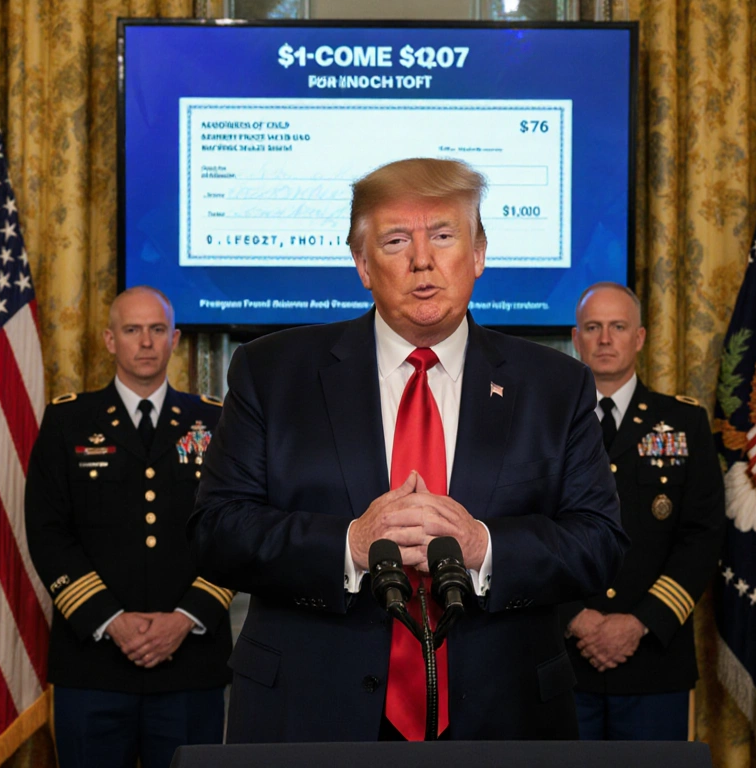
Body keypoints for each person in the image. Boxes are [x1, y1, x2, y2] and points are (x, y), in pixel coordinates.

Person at [188, 157, 627, 743]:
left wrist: (484, 546)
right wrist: (349, 545)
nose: (423, 260)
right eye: (397, 240)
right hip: (309, 716)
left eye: (443, 236)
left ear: (478, 254)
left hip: (504, 716)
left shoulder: (553, 385)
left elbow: (599, 542)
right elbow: (216, 531)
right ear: (363, 265)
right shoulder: (272, 372)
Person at [24, 286, 234, 768]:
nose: (145, 342)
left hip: (191, 664)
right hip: (93, 663)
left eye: (157, 330)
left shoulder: (215, 421)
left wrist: (186, 618)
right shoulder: (68, 421)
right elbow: (48, 532)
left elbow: (232, 530)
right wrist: (111, 621)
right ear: (109, 339)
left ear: (175, 339)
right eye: (132, 330)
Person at [558, 282, 725, 741]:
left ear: (641, 337)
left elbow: (702, 536)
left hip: (653, 656)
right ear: (576, 338)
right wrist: (575, 617)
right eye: (593, 327)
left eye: (618, 327)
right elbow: (531, 529)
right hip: (566, 659)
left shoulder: (684, 422)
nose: (605, 339)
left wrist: (639, 622)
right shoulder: (545, 425)